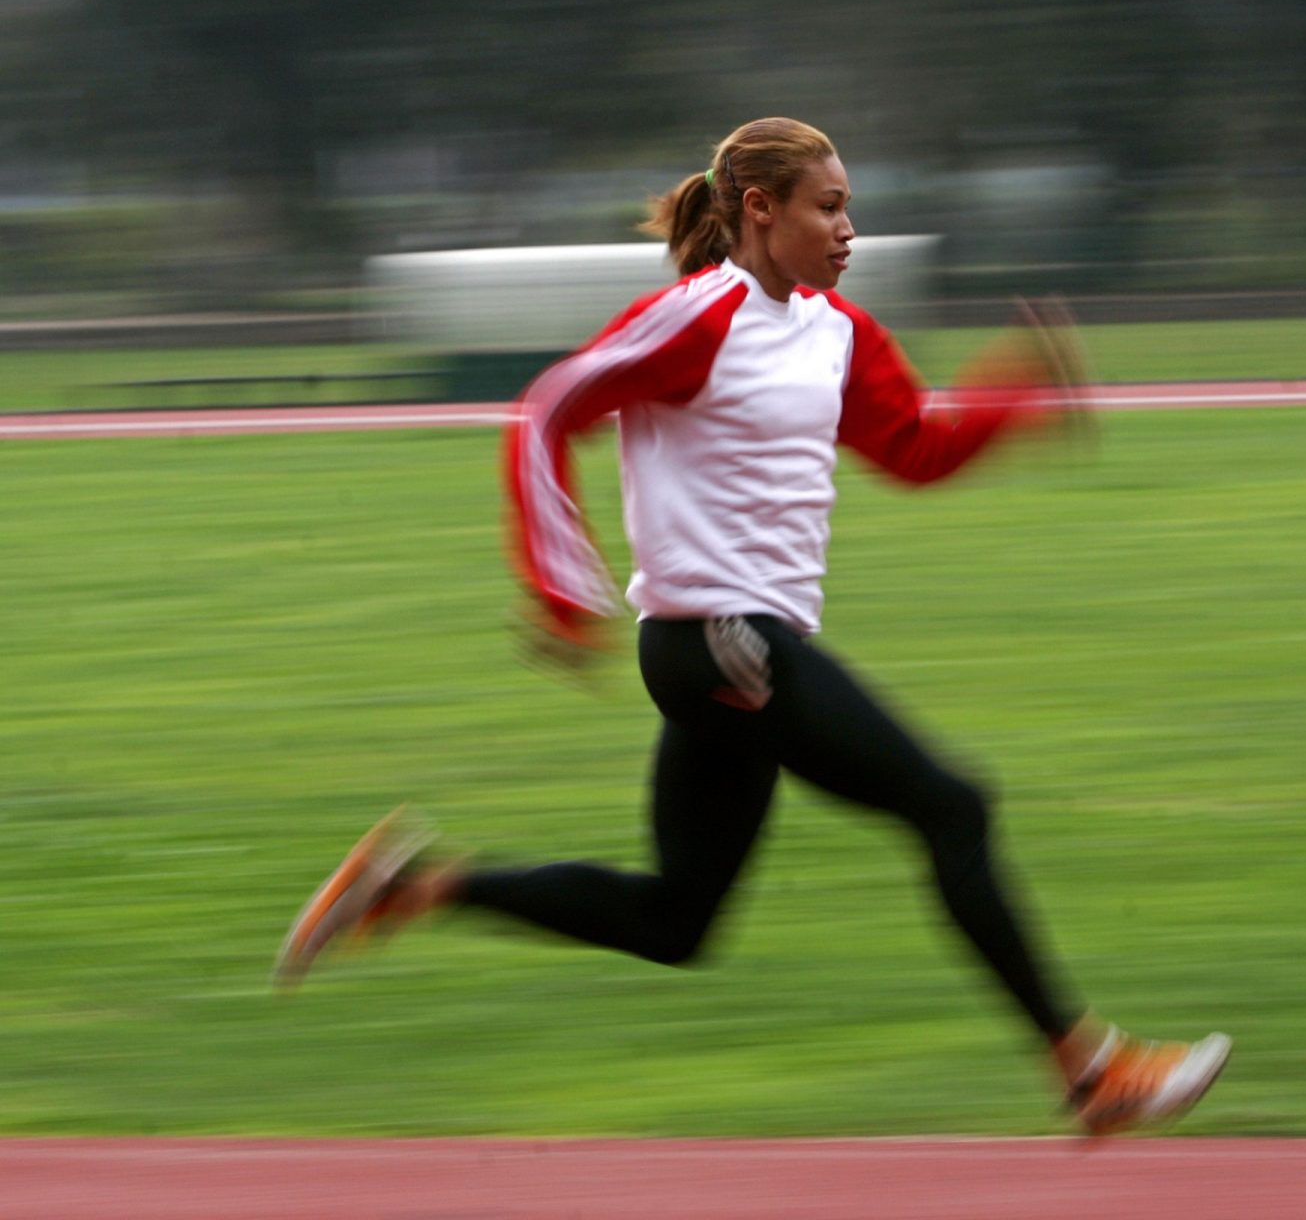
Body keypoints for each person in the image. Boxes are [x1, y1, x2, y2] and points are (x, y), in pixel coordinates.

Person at [275, 117, 1229, 1135]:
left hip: (735, 652)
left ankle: (412, 889)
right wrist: (564, 588)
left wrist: (1013, 395)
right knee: (952, 805)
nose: (848, 228)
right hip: (715, 638)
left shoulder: (839, 334)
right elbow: (548, 406)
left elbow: (913, 447)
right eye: (828, 207)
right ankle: (1091, 1068)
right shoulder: (698, 319)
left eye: (850, 207)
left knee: (676, 918)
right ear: (760, 212)